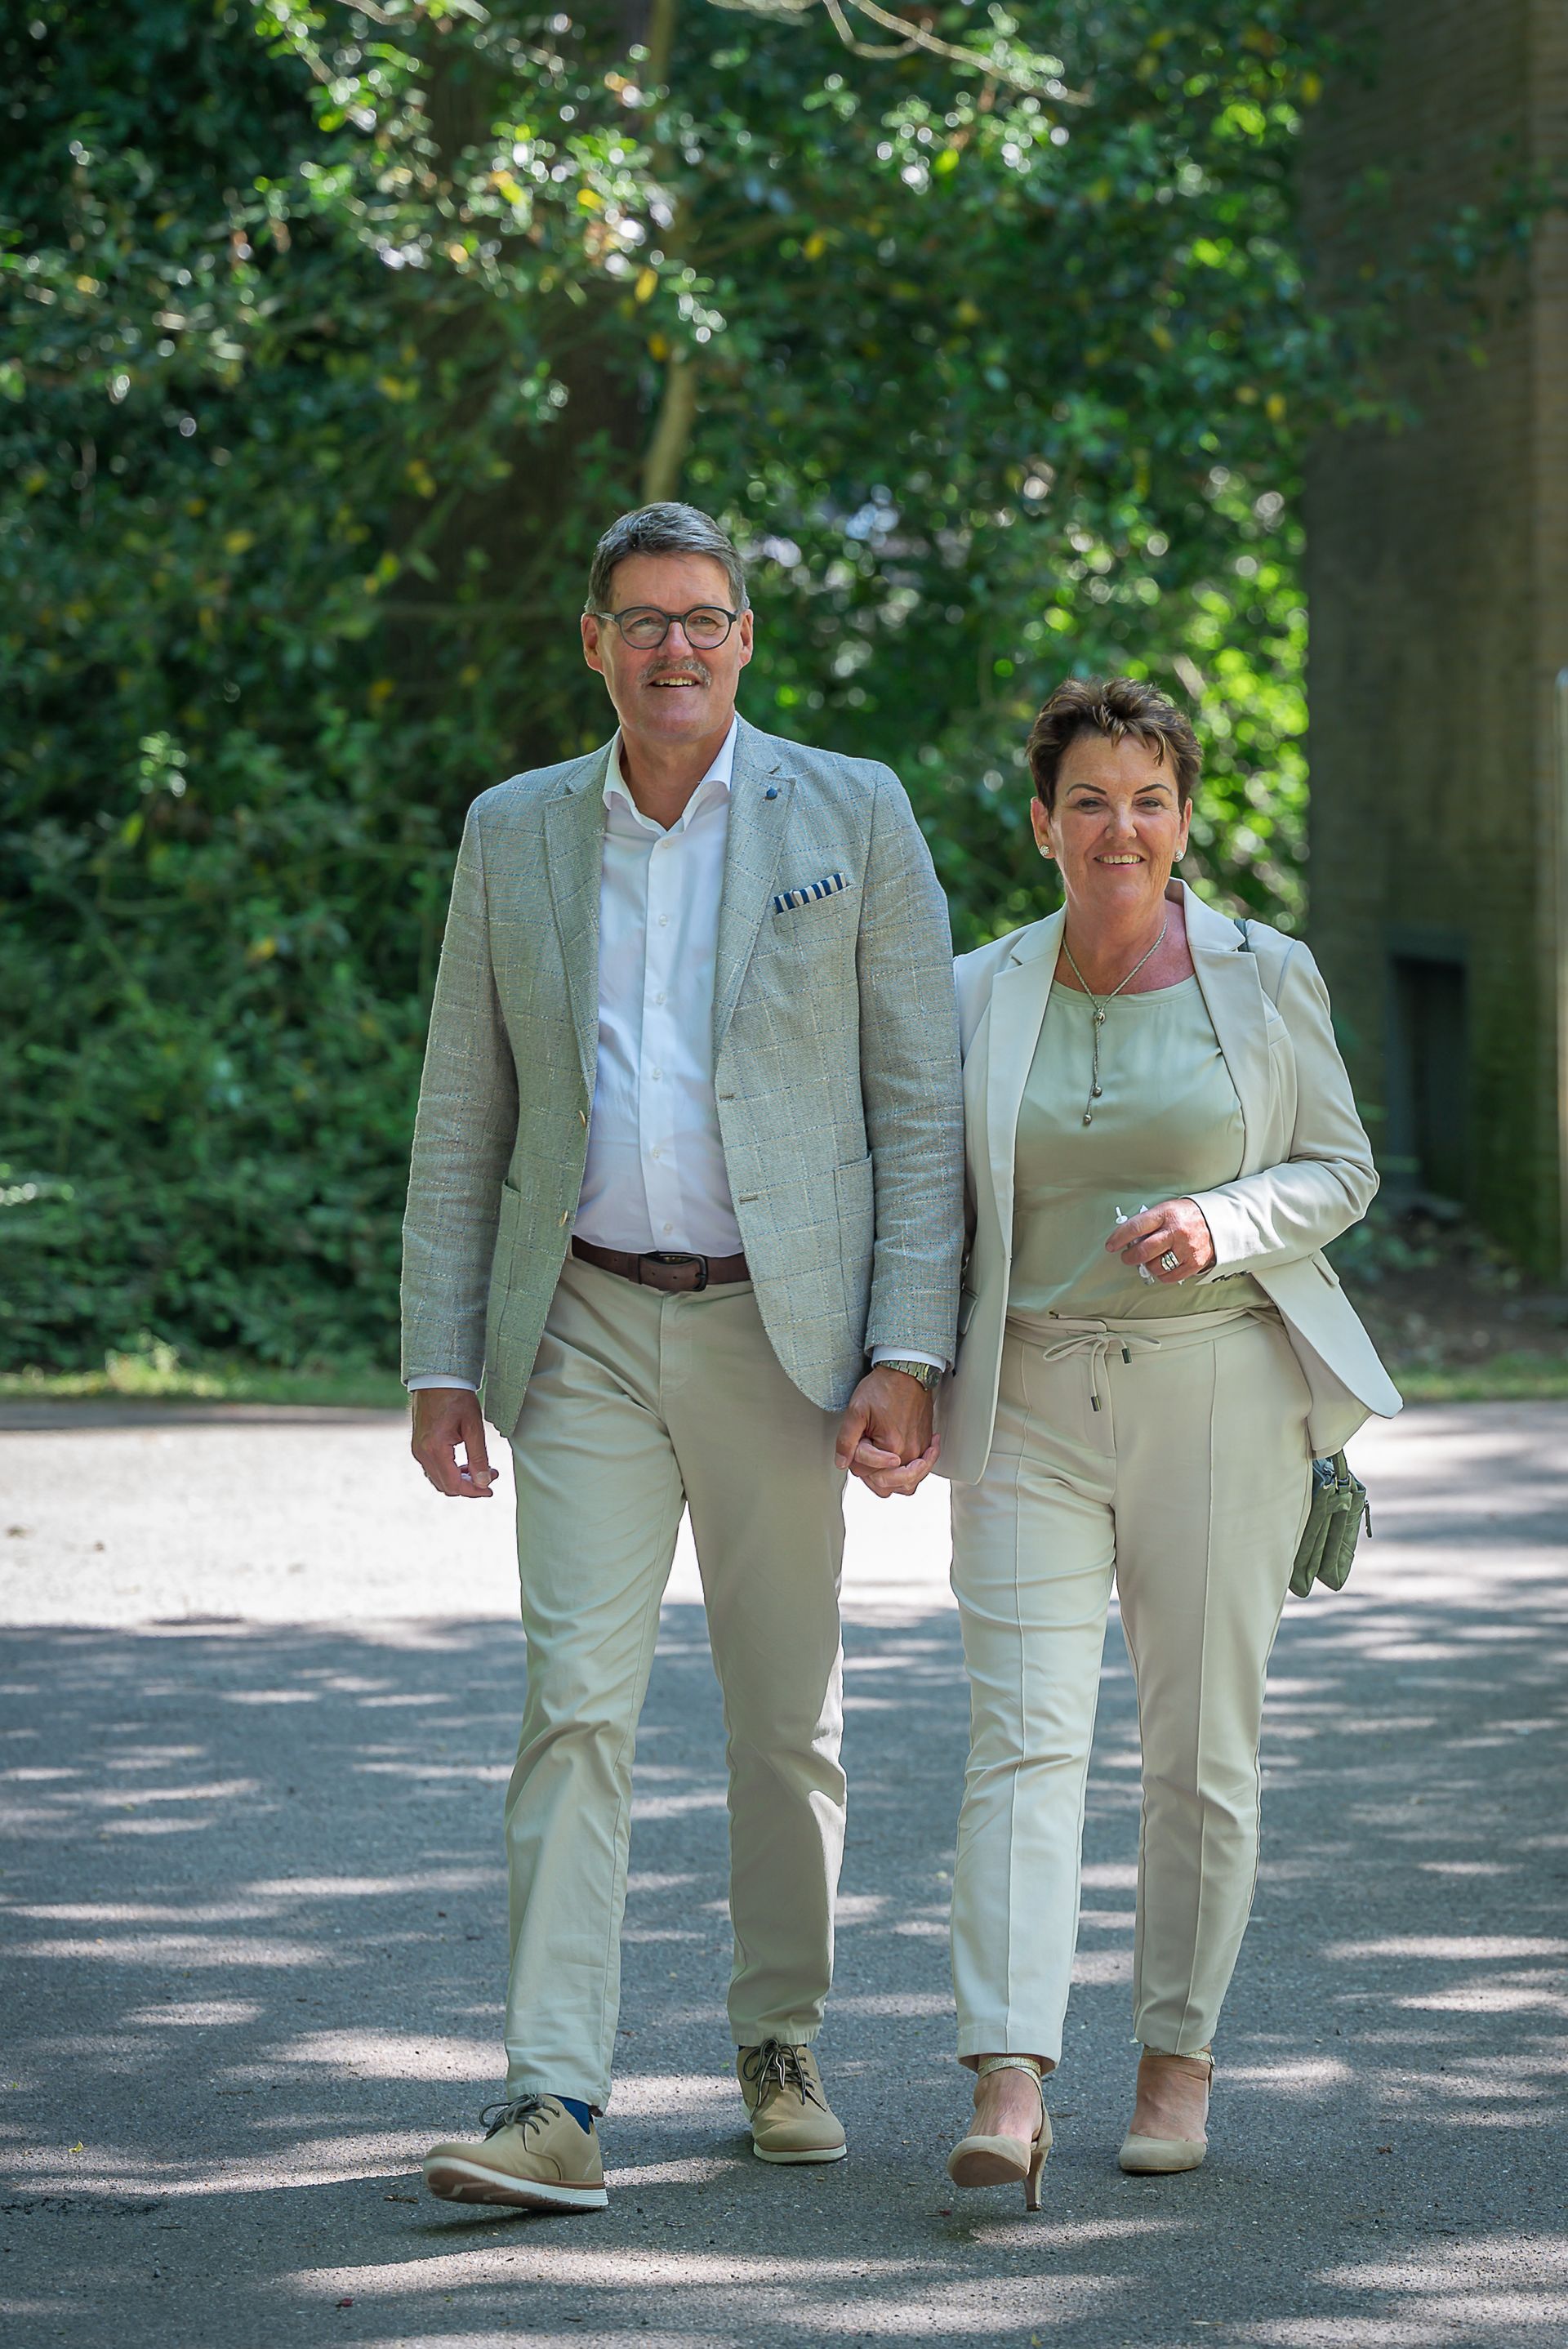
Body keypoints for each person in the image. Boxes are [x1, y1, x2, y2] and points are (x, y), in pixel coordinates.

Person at [400, 502, 964, 2211]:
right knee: (575, 1704)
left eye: (704, 620)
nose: (676, 650)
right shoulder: (514, 832)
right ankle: (552, 2093)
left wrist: (909, 1346)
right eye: (642, 623)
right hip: (575, 1320)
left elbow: (920, 1109)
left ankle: (779, 2035)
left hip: (780, 1334)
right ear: (593, 643)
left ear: (745, 638)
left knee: (784, 1718)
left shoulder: (849, 812)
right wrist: (441, 1355)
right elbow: (461, 1108)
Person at [933, 675, 1401, 2206]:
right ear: (1042, 823)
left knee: (1201, 1754)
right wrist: (897, 1374)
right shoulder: (975, 986)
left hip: (1220, 1391)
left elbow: (1338, 1168)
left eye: (1147, 798)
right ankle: (1009, 2075)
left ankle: (1175, 2062)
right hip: (1026, 1402)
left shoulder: (1268, 978)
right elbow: (927, 1206)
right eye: (1088, 799)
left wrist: (1223, 1215)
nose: (1118, 826)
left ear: (1184, 819)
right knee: (1024, 1737)